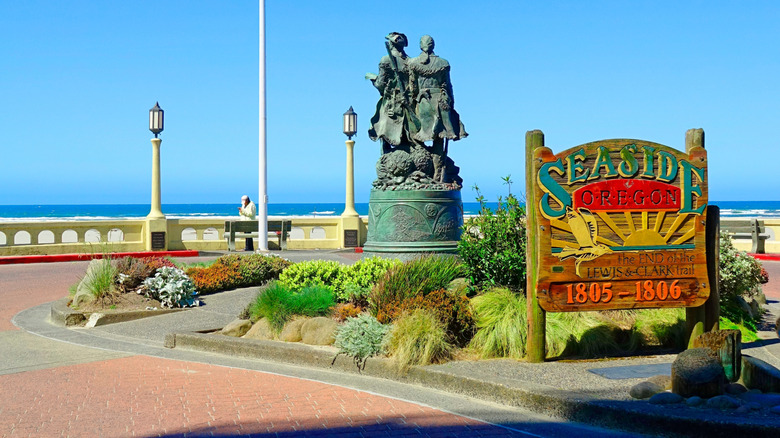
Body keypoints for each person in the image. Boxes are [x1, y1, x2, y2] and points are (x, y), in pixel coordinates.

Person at [408, 35, 467, 181]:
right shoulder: (443, 63)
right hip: (441, 101)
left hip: (424, 102)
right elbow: (447, 85)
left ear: (421, 46)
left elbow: (412, 87)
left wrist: (412, 99)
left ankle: (430, 171)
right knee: (439, 138)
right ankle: (437, 173)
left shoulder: (414, 63)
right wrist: (451, 102)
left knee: (419, 136)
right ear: (432, 45)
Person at [367, 32, 421, 153]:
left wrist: (373, 80)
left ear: (391, 44)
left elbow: (381, 84)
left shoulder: (386, 60)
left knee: (384, 132)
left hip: (391, 102)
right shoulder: (411, 61)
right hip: (409, 101)